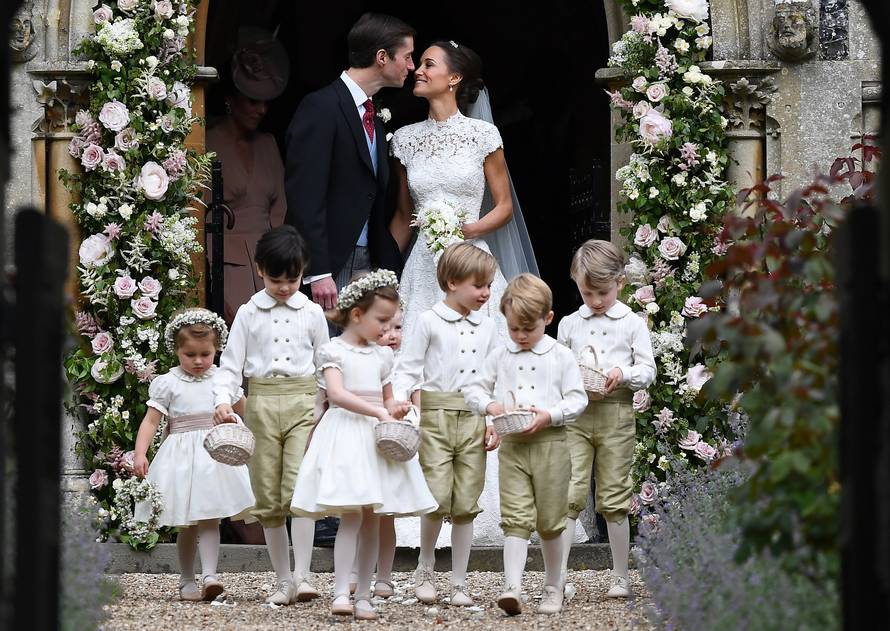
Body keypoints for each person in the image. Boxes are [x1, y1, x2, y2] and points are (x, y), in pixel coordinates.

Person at [290, 270, 437, 620]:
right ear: (357, 315)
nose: (387, 330)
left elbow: (387, 399)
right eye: (381, 321)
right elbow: (337, 394)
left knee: (373, 518)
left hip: (375, 440)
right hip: (345, 436)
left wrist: (396, 408)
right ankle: (342, 590)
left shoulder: (382, 357)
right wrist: (377, 411)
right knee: (351, 516)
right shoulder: (333, 351)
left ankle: (366, 594)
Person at [212, 225, 329, 605]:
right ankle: (283, 580)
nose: (284, 287)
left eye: (292, 280)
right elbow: (231, 365)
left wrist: (322, 406)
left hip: (303, 404)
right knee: (268, 495)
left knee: (301, 487)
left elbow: (326, 364)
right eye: (276, 279)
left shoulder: (312, 312)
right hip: (260, 404)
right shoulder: (249, 313)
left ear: (302, 271)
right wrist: (223, 399)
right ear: (260, 269)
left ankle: (304, 575)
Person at [463, 274, 588, 616]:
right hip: (513, 447)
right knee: (515, 518)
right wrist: (490, 406)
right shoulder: (500, 354)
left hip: (552, 446)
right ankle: (513, 588)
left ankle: (553, 586)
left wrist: (550, 415)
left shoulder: (561, 356)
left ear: (548, 318)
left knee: (551, 520)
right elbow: (473, 388)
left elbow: (577, 399)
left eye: (527, 329)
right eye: (513, 328)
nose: (519, 336)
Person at [392, 243, 501, 606]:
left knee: (467, 500)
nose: (486, 293)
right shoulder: (429, 321)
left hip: (473, 417)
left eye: (489, 286)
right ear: (452, 283)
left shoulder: (488, 327)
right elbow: (408, 367)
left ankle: (459, 581)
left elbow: (492, 378)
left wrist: (492, 420)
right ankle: (425, 566)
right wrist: (402, 403)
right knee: (437, 496)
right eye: (478, 285)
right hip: (436, 417)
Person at [285, 13, 413, 310]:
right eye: (407, 57)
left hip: (368, 261)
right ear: (382, 57)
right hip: (329, 264)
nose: (411, 66)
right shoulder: (321, 107)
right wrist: (318, 271)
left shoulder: (373, 116)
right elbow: (305, 194)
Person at [389, 40, 512, 343]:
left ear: (454, 78)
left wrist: (468, 230)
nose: (418, 71)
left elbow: (504, 206)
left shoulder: (483, 135)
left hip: (471, 259)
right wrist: (387, 272)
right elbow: (404, 216)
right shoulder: (404, 140)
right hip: (422, 264)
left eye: (428, 65)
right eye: (419, 64)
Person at [132, 308, 254, 602]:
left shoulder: (222, 381)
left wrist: (240, 423)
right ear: (176, 350)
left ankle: (210, 575)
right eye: (190, 355)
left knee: (210, 516)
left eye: (205, 354)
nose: (198, 361)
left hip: (214, 457)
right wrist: (140, 454)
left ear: (216, 350)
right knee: (186, 523)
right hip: (180, 459)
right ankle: (187, 579)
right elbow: (151, 421)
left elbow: (246, 410)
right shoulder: (168, 382)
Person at [556, 240, 656, 598]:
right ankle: (557, 576)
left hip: (616, 415)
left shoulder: (631, 324)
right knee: (569, 492)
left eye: (603, 292)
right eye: (588, 293)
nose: (596, 300)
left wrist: (622, 373)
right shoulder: (569, 324)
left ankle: (620, 576)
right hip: (577, 417)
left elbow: (648, 370)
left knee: (614, 494)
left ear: (620, 283)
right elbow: (558, 367)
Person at [206, 28, 289, 323]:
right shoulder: (207, 142)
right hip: (224, 268)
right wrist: (212, 287)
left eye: (265, 102)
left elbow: (279, 211)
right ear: (230, 99)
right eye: (253, 101)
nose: (261, 110)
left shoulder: (268, 143)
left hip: (270, 267)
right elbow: (198, 218)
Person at [348, 303, 404, 599]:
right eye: (385, 328)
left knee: (386, 515)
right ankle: (356, 570)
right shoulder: (364, 360)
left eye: (398, 328)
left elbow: (412, 400)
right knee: (359, 509)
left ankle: (384, 575)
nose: (392, 335)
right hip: (363, 441)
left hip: (394, 444)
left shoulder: (404, 364)